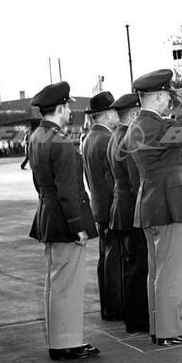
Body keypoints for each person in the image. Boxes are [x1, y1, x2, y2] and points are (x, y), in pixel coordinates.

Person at [122, 70, 182, 346]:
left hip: (148, 203)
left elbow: (134, 172)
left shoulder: (135, 127)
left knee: (157, 271)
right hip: (169, 205)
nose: (170, 101)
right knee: (170, 272)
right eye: (168, 96)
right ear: (159, 97)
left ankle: (158, 327)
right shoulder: (160, 127)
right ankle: (170, 330)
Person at [27, 82, 101, 360]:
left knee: (56, 283)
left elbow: (39, 183)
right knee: (67, 285)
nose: (70, 111)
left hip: (49, 215)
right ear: (60, 107)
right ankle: (67, 343)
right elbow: (68, 189)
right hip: (64, 219)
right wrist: (78, 225)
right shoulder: (60, 141)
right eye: (68, 106)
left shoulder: (37, 136)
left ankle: (61, 340)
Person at [106, 92, 149, 334]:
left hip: (119, 206)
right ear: (133, 113)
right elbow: (135, 179)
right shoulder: (128, 136)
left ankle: (132, 315)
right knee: (138, 266)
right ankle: (138, 319)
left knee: (129, 264)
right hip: (131, 207)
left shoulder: (115, 135)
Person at [80, 91, 122, 321]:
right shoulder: (107, 138)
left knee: (105, 257)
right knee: (115, 259)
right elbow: (112, 178)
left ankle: (107, 306)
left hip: (98, 205)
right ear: (107, 114)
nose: (118, 116)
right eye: (115, 111)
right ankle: (116, 307)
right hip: (111, 206)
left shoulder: (88, 138)